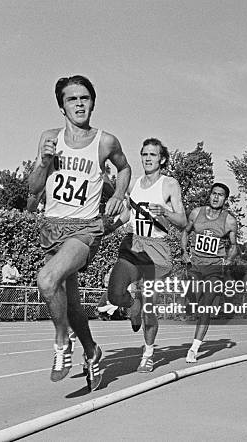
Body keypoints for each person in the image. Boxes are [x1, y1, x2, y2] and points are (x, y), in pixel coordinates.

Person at [28, 75, 131, 392]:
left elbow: (124, 168)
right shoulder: (49, 138)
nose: (79, 104)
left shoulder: (105, 141)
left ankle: (62, 342)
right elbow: (33, 190)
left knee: (47, 279)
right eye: (72, 99)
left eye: (84, 97)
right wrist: (44, 163)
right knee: (71, 305)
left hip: (85, 229)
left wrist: (117, 195)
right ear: (62, 106)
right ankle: (92, 351)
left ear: (93, 102)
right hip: (53, 227)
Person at [106, 138, 186, 372]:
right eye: (144, 154)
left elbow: (182, 221)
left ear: (162, 159)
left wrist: (165, 212)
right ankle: (133, 306)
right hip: (133, 243)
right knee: (114, 294)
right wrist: (109, 227)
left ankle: (148, 353)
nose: (147, 158)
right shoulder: (134, 184)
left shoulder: (169, 184)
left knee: (150, 306)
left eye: (152, 154)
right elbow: (127, 214)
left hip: (156, 250)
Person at [181, 183, 238, 363]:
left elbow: (234, 246)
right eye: (214, 193)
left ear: (225, 199)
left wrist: (229, 259)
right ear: (210, 195)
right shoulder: (196, 213)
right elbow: (185, 232)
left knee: (205, 305)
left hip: (214, 268)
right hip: (196, 266)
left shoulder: (229, 221)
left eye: (220, 195)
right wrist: (184, 251)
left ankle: (194, 348)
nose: (216, 197)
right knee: (194, 301)